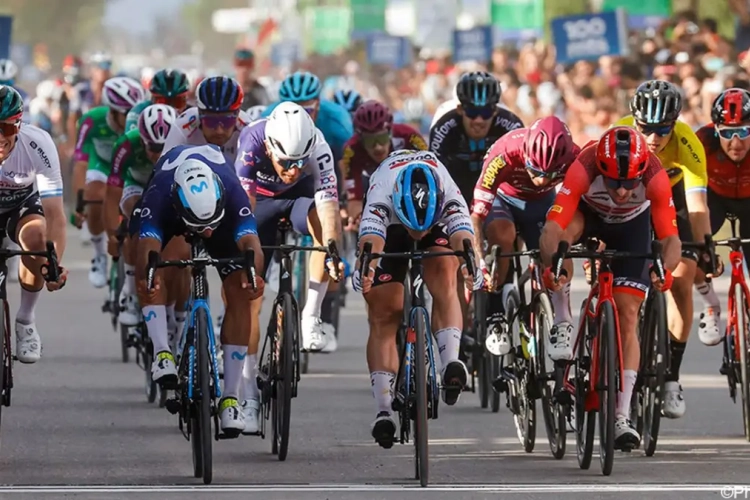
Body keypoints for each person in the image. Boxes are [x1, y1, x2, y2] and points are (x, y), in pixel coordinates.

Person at [539, 127, 682, 448]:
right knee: (563, 238)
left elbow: (671, 238)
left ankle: (621, 414)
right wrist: (553, 266)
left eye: (630, 183)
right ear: (601, 168)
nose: (621, 191)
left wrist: (665, 270)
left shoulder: (655, 176)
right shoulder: (584, 167)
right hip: (588, 216)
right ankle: (564, 318)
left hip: (632, 226)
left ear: (642, 172)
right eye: (615, 182)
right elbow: (552, 226)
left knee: (628, 312)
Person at [353, 149, 480, 449]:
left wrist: (469, 265)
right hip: (391, 227)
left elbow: (463, 238)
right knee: (385, 312)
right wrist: (367, 270)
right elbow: (371, 243)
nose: (417, 232)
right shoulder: (382, 191)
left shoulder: (446, 190)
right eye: (414, 227)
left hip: (436, 218)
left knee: (446, 273)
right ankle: (383, 411)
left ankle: (451, 361)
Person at [135, 145, 265, 436]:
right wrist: (150, 275)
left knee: (242, 291)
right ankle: (162, 353)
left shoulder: (231, 190)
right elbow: (146, 249)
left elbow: (252, 245)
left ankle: (231, 398)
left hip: (222, 217)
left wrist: (253, 275)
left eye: (210, 227)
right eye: (200, 227)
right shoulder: (159, 196)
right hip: (171, 216)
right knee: (149, 275)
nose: (205, 234)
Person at [234, 102, 343, 433]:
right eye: (285, 163)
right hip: (259, 202)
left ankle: (311, 316)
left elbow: (328, 206)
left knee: (324, 237)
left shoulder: (318, 145)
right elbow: (244, 207)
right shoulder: (251, 140)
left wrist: (332, 250)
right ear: (270, 147)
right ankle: (249, 393)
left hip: (300, 200)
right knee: (249, 296)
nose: (294, 170)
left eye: (300, 162)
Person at [614, 79, 712, 419]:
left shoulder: (688, 143)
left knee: (682, 278)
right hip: (634, 201)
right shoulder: (620, 134)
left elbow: (697, 205)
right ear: (634, 122)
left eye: (663, 129)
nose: (654, 138)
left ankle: (671, 376)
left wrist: (706, 245)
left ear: (675, 124)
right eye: (646, 129)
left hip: (674, 200)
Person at [470, 117, 579, 356]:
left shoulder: (574, 157)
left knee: (555, 247)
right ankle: (496, 314)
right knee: (503, 235)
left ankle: (562, 322)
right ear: (526, 154)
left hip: (541, 203)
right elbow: (477, 215)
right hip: (504, 199)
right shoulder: (505, 152)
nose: (542, 179)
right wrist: (480, 262)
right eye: (535, 170)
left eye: (551, 174)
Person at [0, 86, 69, 362]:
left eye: (5, 128)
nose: (0, 137)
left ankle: (26, 320)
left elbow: (54, 215)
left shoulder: (38, 144)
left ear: (18, 125)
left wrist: (54, 265)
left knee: (38, 242)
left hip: (21, 206)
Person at [105, 104, 178, 327]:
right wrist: (111, 234)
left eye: (163, 148)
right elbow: (112, 193)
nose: (157, 155)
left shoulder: (183, 141)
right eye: (153, 148)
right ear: (142, 140)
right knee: (135, 221)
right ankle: (130, 293)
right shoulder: (126, 144)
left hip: (168, 185)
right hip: (135, 185)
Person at [71, 76, 145, 289]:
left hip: (129, 170)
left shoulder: (139, 124)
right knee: (95, 195)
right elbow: (80, 164)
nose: (133, 117)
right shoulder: (91, 120)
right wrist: (79, 202)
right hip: (101, 167)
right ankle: (99, 255)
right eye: (126, 113)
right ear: (112, 110)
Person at [694, 88, 750, 348]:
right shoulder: (702, 140)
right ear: (715, 129)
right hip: (714, 199)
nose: (736, 143)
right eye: (727, 132)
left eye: (744, 131)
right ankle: (711, 306)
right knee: (689, 246)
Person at [343, 100, 428, 235]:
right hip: (373, 184)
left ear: (390, 132)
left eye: (381, 138)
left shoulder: (410, 137)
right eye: (370, 141)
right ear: (360, 140)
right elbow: (354, 198)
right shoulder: (351, 150)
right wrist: (359, 219)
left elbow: (432, 175)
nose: (377, 147)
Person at [161, 76, 249, 164]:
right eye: (210, 121)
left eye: (227, 121)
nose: (219, 131)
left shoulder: (248, 130)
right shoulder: (183, 126)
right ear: (199, 113)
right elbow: (163, 168)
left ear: (237, 115)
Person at [124, 69, 190, 133]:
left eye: (177, 102)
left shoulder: (193, 113)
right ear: (152, 99)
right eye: (162, 102)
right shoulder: (139, 111)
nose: (171, 109)